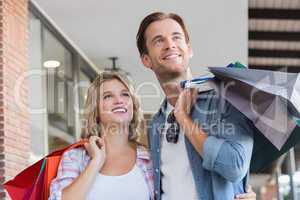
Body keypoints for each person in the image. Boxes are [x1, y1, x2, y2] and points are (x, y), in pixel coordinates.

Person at [136, 12, 256, 200]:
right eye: (158, 41)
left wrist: (183, 118)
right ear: (146, 60)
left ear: (189, 48)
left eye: (176, 37)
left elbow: (235, 166)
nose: (170, 45)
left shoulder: (226, 98)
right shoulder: (157, 122)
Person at [49, 72, 154, 200]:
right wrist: (96, 161)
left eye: (125, 94)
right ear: (96, 109)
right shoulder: (75, 158)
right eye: (108, 96)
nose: (119, 101)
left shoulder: (149, 158)